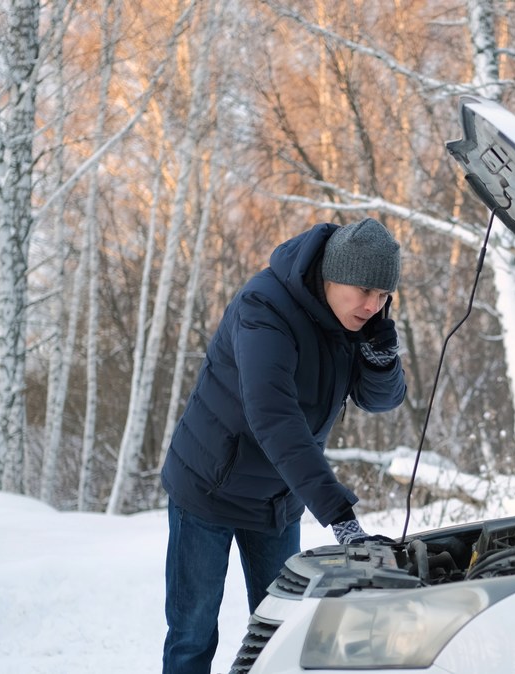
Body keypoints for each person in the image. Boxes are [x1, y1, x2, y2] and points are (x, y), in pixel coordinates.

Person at [159, 217, 407, 674]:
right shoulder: (264, 308)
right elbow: (274, 417)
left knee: (281, 631)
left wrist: (381, 359)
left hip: (277, 499)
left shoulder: (351, 319)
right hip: (209, 487)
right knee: (193, 632)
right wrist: (339, 515)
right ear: (331, 276)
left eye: (382, 295)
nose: (373, 305)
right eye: (363, 291)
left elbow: (380, 401)